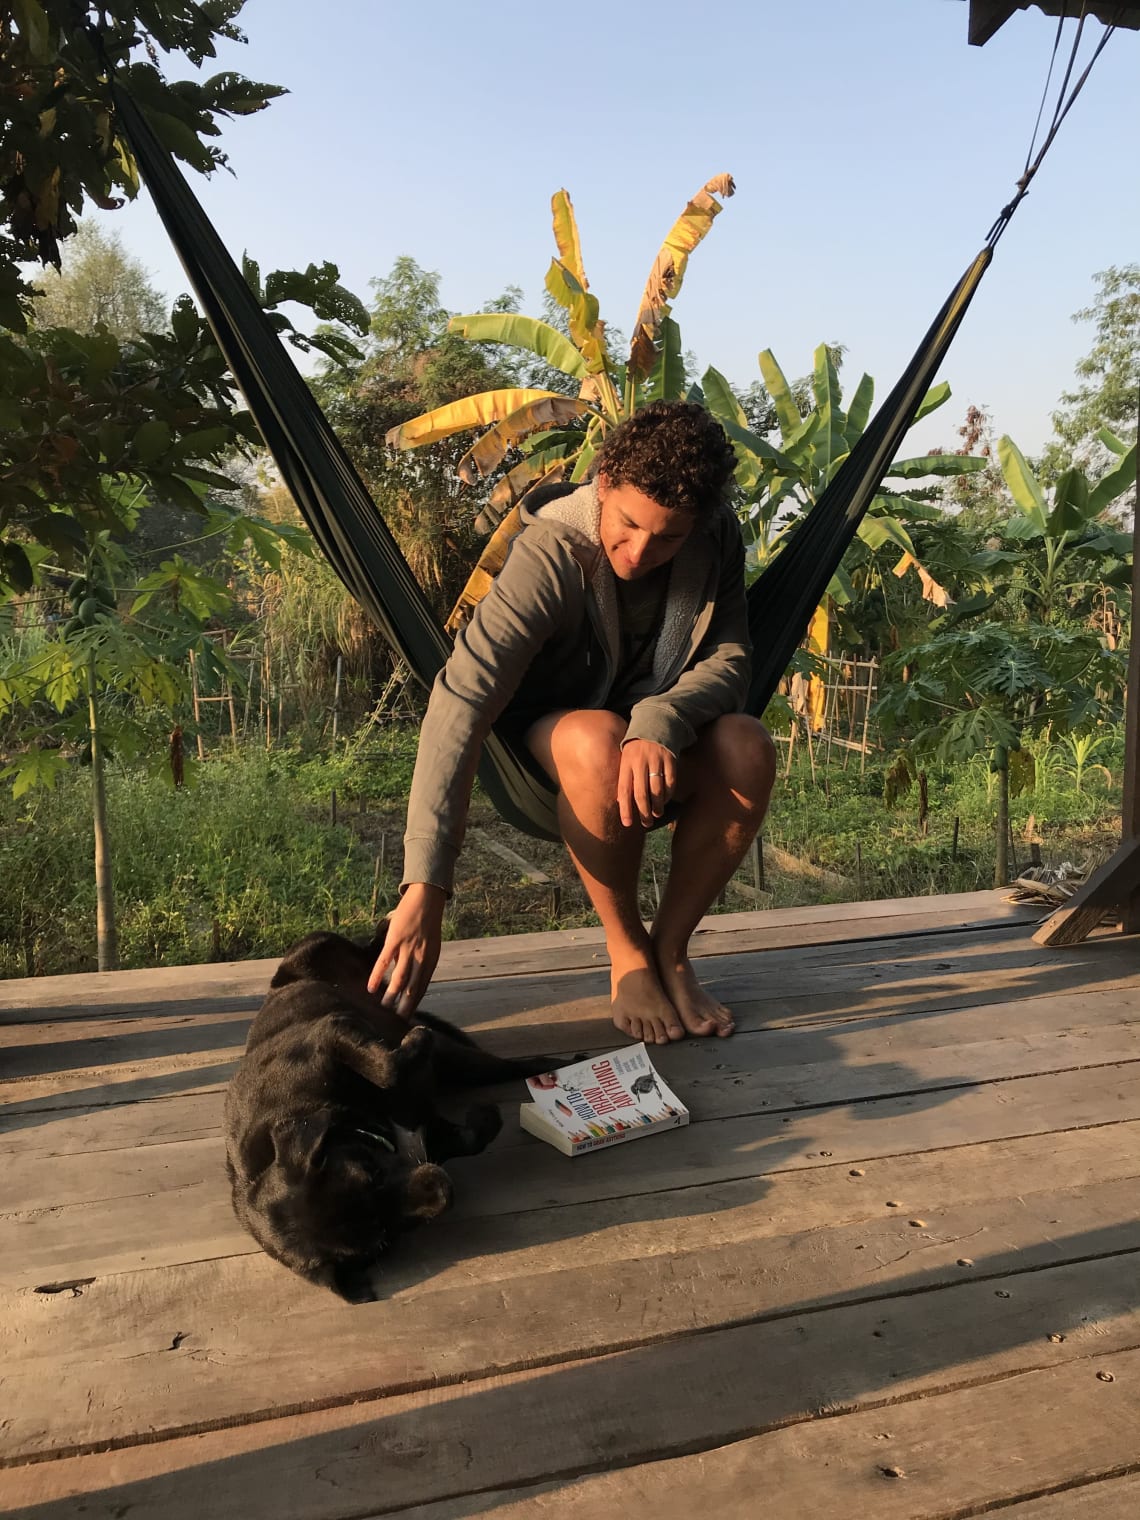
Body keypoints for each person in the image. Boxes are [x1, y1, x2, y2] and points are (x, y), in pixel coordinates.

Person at [368, 400, 776, 1044]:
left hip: (655, 735)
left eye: (669, 537)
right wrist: (425, 885)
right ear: (603, 484)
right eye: (629, 524)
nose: (642, 551)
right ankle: (628, 953)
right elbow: (462, 698)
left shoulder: (715, 537)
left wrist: (661, 719)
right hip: (553, 744)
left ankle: (670, 950)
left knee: (747, 743)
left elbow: (730, 657)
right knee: (596, 736)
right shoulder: (554, 550)